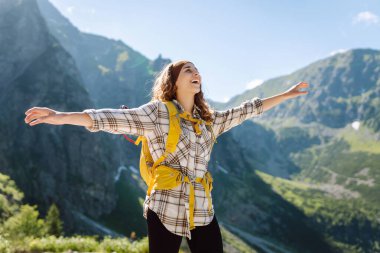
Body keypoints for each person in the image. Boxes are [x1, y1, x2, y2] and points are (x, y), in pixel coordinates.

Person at [24, 60, 309, 253]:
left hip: (202, 209)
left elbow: (248, 109)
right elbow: (110, 118)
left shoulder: (209, 121)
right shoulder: (157, 112)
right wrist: (58, 117)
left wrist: (285, 95)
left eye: (197, 70)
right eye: (188, 70)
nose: (196, 73)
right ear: (172, 82)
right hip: (164, 206)